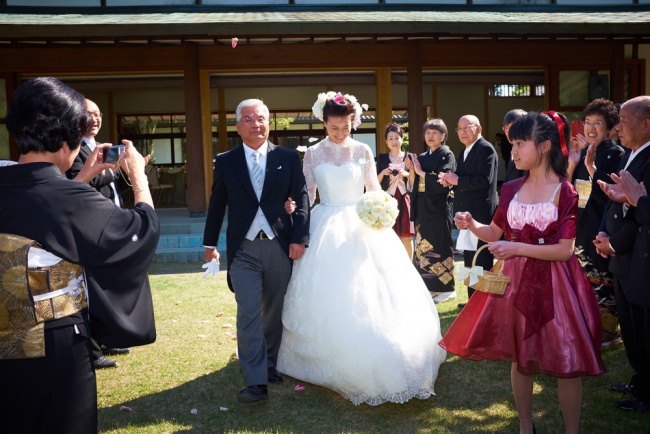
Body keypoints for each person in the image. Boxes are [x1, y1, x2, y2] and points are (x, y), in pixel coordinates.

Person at [0, 77, 158, 433]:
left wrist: (80, 178)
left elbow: (43, 207)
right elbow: (138, 232)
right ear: (68, 136)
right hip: (54, 344)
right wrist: (139, 178)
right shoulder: (67, 200)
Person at [277, 91, 446, 406]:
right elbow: (308, 193)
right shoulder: (313, 154)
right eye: (333, 128)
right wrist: (293, 213)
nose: (340, 134)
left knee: (371, 288)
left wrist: (378, 208)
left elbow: (373, 189)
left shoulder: (363, 150)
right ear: (324, 123)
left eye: (345, 127)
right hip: (324, 222)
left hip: (361, 223)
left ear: (352, 122)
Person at [441, 111, 605, 434]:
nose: (512, 150)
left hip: (556, 282)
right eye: (512, 143)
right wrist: (474, 225)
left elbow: (564, 250)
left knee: (566, 359)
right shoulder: (511, 187)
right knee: (520, 354)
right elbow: (495, 231)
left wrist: (516, 249)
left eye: (519, 143)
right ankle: (525, 426)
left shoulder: (565, 191)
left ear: (544, 146)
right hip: (515, 281)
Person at [202, 99, 310, 404]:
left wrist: (300, 237)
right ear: (238, 126)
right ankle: (255, 382)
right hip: (244, 249)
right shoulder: (226, 161)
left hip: (279, 244)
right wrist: (209, 245)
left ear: (269, 123)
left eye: (261, 118)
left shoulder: (288, 158)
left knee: (273, 310)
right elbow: (216, 205)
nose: (256, 123)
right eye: (248, 119)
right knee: (248, 310)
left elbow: (300, 199)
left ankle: (271, 364)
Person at [66, 98, 133, 369]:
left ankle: (108, 340)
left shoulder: (99, 147)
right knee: (92, 288)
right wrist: (114, 170)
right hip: (89, 226)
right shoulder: (72, 149)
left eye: (97, 114)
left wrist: (128, 172)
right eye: (88, 115)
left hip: (110, 222)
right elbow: (85, 182)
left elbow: (111, 188)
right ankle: (93, 352)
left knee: (107, 285)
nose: (94, 119)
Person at [595, 95, 650, 413]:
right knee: (631, 328)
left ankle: (645, 389)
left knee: (642, 329)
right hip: (621, 256)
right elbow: (617, 200)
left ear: (646, 125)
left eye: (624, 121)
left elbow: (638, 212)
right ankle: (640, 379)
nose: (618, 128)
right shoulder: (629, 156)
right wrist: (604, 232)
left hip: (634, 254)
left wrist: (614, 243)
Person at [567, 99, 626, 348]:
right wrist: (573, 162)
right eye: (588, 123)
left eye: (597, 123)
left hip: (601, 224)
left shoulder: (616, 153)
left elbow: (612, 192)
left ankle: (609, 332)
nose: (591, 128)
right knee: (583, 278)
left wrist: (591, 167)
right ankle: (588, 327)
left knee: (603, 278)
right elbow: (570, 189)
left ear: (610, 126)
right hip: (582, 221)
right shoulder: (584, 152)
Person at [438, 114, 498, 308]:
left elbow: (484, 180)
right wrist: (450, 180)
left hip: (480, 213)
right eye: (459, 128)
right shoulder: (465, 151)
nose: (462, 132)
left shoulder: (485, 149)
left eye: (467, 127)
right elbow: (462, 179)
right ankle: (474, 301)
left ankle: (483, 304)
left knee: (481, 258)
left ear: (478, 129)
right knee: (470, 258)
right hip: (466, 213)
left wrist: (457, 180)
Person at [409, 118, 457, 302]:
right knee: (423, 248)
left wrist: (421, 173)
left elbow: (443, 182)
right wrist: (412, 171)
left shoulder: (447, 155)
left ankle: (446, 288)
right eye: (428, 132)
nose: (430, 136)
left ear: (443, 136)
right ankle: (428, 286)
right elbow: (413, 185)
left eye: (435, 132)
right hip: (423, 208)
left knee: (440, 246)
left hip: (438, 208)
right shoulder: (421, 157)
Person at [376, 122, 416, 258]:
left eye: (397, 138)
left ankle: (409, 268)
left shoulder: (410, 157)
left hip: (405, 199)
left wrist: (408, 173)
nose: (394, 141)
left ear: (402, 139)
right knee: (388, 236)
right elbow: (375, 183)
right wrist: (382, 173)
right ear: (386, 141)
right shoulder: (381, 158)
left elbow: (414, 184)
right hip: (387, 200)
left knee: (407, 237)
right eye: (391, 138)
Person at [502, 109, 528, 183]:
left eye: (512, 128)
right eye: (506, 128)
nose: (508, 132)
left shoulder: (529, 152)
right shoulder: (513, 148)